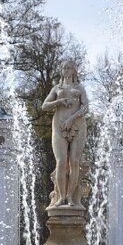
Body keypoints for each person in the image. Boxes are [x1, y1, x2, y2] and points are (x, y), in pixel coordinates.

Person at [41, 60, 89, 208]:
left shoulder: (80, 88)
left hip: (78, 126)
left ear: (74, 71)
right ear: (62, 71)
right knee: (61, 161)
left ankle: (70, 197)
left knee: (74, 161)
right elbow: (44, 106)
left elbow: (86, 107)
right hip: (59, 126)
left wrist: (71, 119)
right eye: (64, 68)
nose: (66, 70)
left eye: (69, 68)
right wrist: (59, 102)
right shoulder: (57, 88)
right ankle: (61, 197)